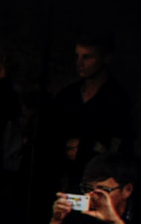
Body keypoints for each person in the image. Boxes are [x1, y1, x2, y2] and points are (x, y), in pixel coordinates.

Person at [42, 31, 134, 186]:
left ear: (105, 58)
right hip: (62, 178)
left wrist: (88, 148)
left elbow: (119, 143)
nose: (80, 63)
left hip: (97, 181)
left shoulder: (116, 99)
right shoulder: (67, 96)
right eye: (77, 56)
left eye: (87, 57)